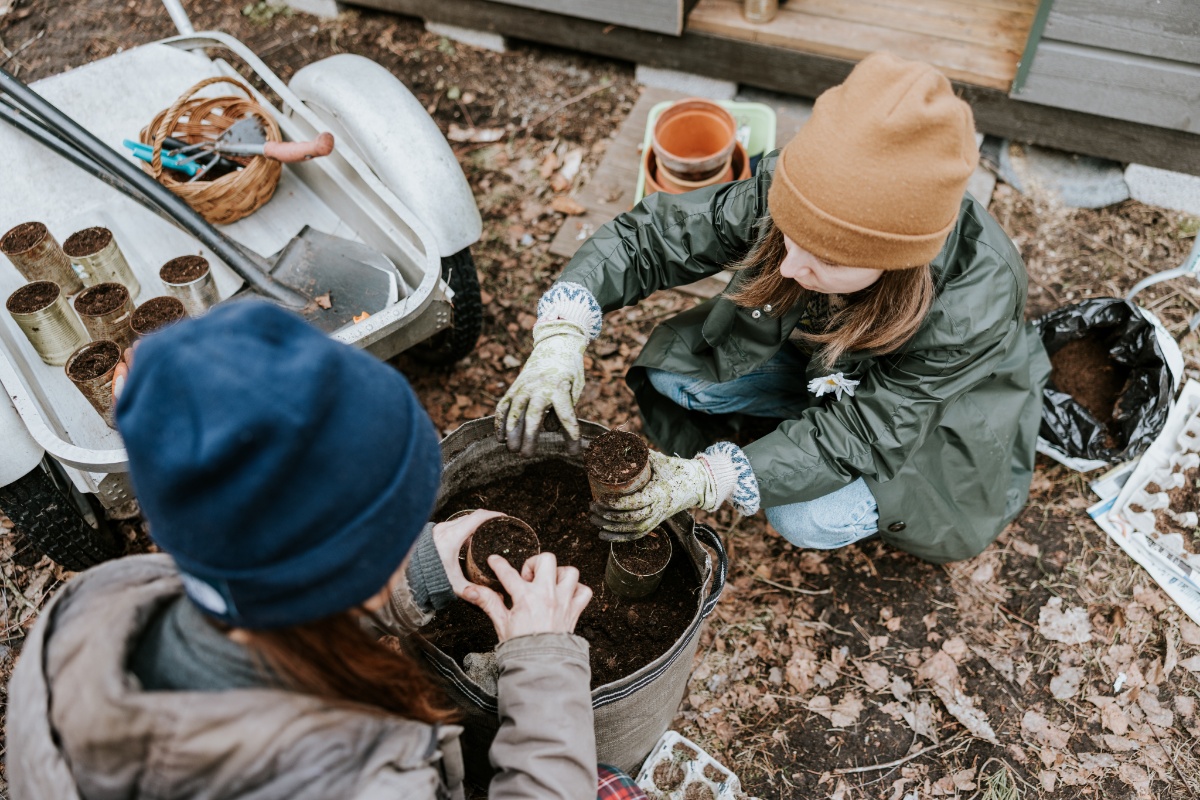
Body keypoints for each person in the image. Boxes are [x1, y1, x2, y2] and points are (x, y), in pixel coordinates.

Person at [6, 301, 617, 799]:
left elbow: (275, 591)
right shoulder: (365, 782)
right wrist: (542, 668)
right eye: (397, 532)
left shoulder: (95, 609)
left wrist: (421, 570)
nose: (409, 539)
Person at [497, 52, 1051, 564]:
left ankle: (798, 461)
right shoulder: (802, 185)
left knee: (804, 516)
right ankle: (792, 443)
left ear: (897, 261)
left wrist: (714, 478)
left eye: (827, 260)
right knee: (678, 378)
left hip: (933, 429)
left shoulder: (972, 302)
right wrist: (563, 331)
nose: (787, 267)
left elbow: (869, 431)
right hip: (831, 369)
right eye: (788, 235)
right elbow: (659, 237)